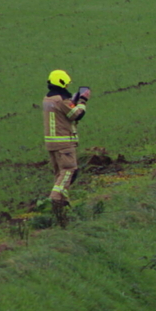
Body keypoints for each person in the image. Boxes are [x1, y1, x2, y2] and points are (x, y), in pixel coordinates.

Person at [41, 70, 89, 226]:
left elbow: (62, 113)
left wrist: (72, 100)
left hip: (51, 143)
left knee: (59, 174)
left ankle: (63, 204)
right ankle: (55, 200)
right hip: (64, 142)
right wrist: (82, 100)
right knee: (69, 170)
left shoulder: (47, 99)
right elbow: (76, 114)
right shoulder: (61, 100)